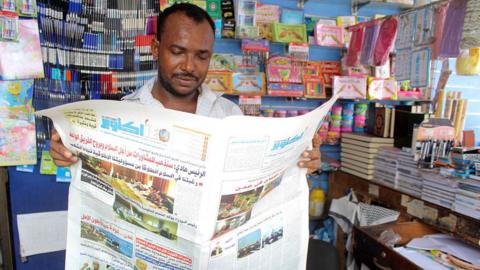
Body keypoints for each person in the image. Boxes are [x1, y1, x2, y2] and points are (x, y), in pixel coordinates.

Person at [49, 3, 321, 173]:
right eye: (178, 52)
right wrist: (67, 154)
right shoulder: (122, 114)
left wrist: (299, 164)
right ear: (156, 49)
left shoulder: (230, 115)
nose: (189, 66)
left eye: (201, 56)